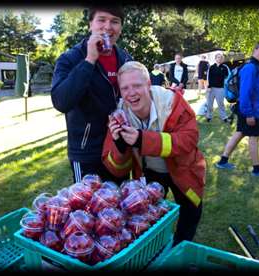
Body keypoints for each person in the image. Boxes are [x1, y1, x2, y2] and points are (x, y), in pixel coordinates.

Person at [102, 61, 206, 246]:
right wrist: (120, 146)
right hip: (150, 173)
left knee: (191, 209)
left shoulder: (172, 103)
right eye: (125, 88)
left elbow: (189, 139)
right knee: (148, 217)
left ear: (149, 85)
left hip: (182, 169)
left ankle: (181, 247)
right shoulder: (118, 116)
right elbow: (116, 169)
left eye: (137, 85)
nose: (131, 93)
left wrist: (143, 140)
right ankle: (154, 249)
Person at [51, 7, 133, 183]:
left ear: (120, 28)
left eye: (115, 21)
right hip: (87, 151)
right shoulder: (70, 59)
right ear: (90, 25)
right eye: (101, 20)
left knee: (120, 203)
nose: (108, 26)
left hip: (119, 146)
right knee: (88, 206)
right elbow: (61, 101)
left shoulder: (126, 59)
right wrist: (89, 61)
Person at [215, 42, 259, 179]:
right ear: (254, 51)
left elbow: (254, 94)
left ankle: (222, 161)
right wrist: (250, 114)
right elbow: (245, 93)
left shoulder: (255, 67)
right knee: (254, 138)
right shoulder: (251, 68)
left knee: (239, 133)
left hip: (248, 108)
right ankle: (257, 169)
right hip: (247, 110)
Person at [205, 53, 230, 123]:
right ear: (215, 58)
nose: (219, 59)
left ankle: (224, 117)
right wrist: (208, 87)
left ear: (222, 59)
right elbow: (208, 77)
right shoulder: (211, 67)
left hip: (220, 88)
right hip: (211, 88)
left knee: (221, 104)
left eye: (220, 58)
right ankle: (209, 116)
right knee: (209, 103)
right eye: (218, 57)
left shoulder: (224, 67)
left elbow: (227, 76)